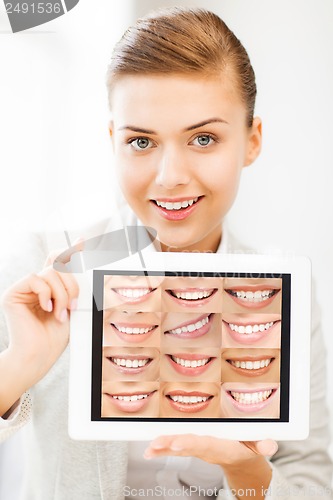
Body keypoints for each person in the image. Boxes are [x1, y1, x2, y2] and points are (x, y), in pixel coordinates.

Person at [0, 6, 332, 499]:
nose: (169, 176)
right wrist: (19, 365)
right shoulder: (44, 267)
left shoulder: (281, 291)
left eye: (204, 138)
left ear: (252, 141)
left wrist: (248, 478)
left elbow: (312, 481)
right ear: (112, 141)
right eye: (140, 141)